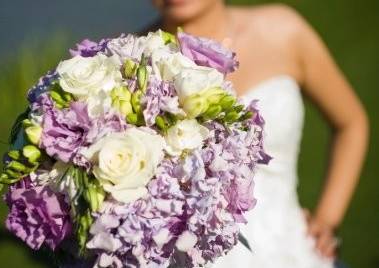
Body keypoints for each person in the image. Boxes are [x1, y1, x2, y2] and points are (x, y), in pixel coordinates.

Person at [149, 1, 369, 267]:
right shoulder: (132, 62)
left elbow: (351, 123)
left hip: (291, 250)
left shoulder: (282, 31)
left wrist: (327, 219)